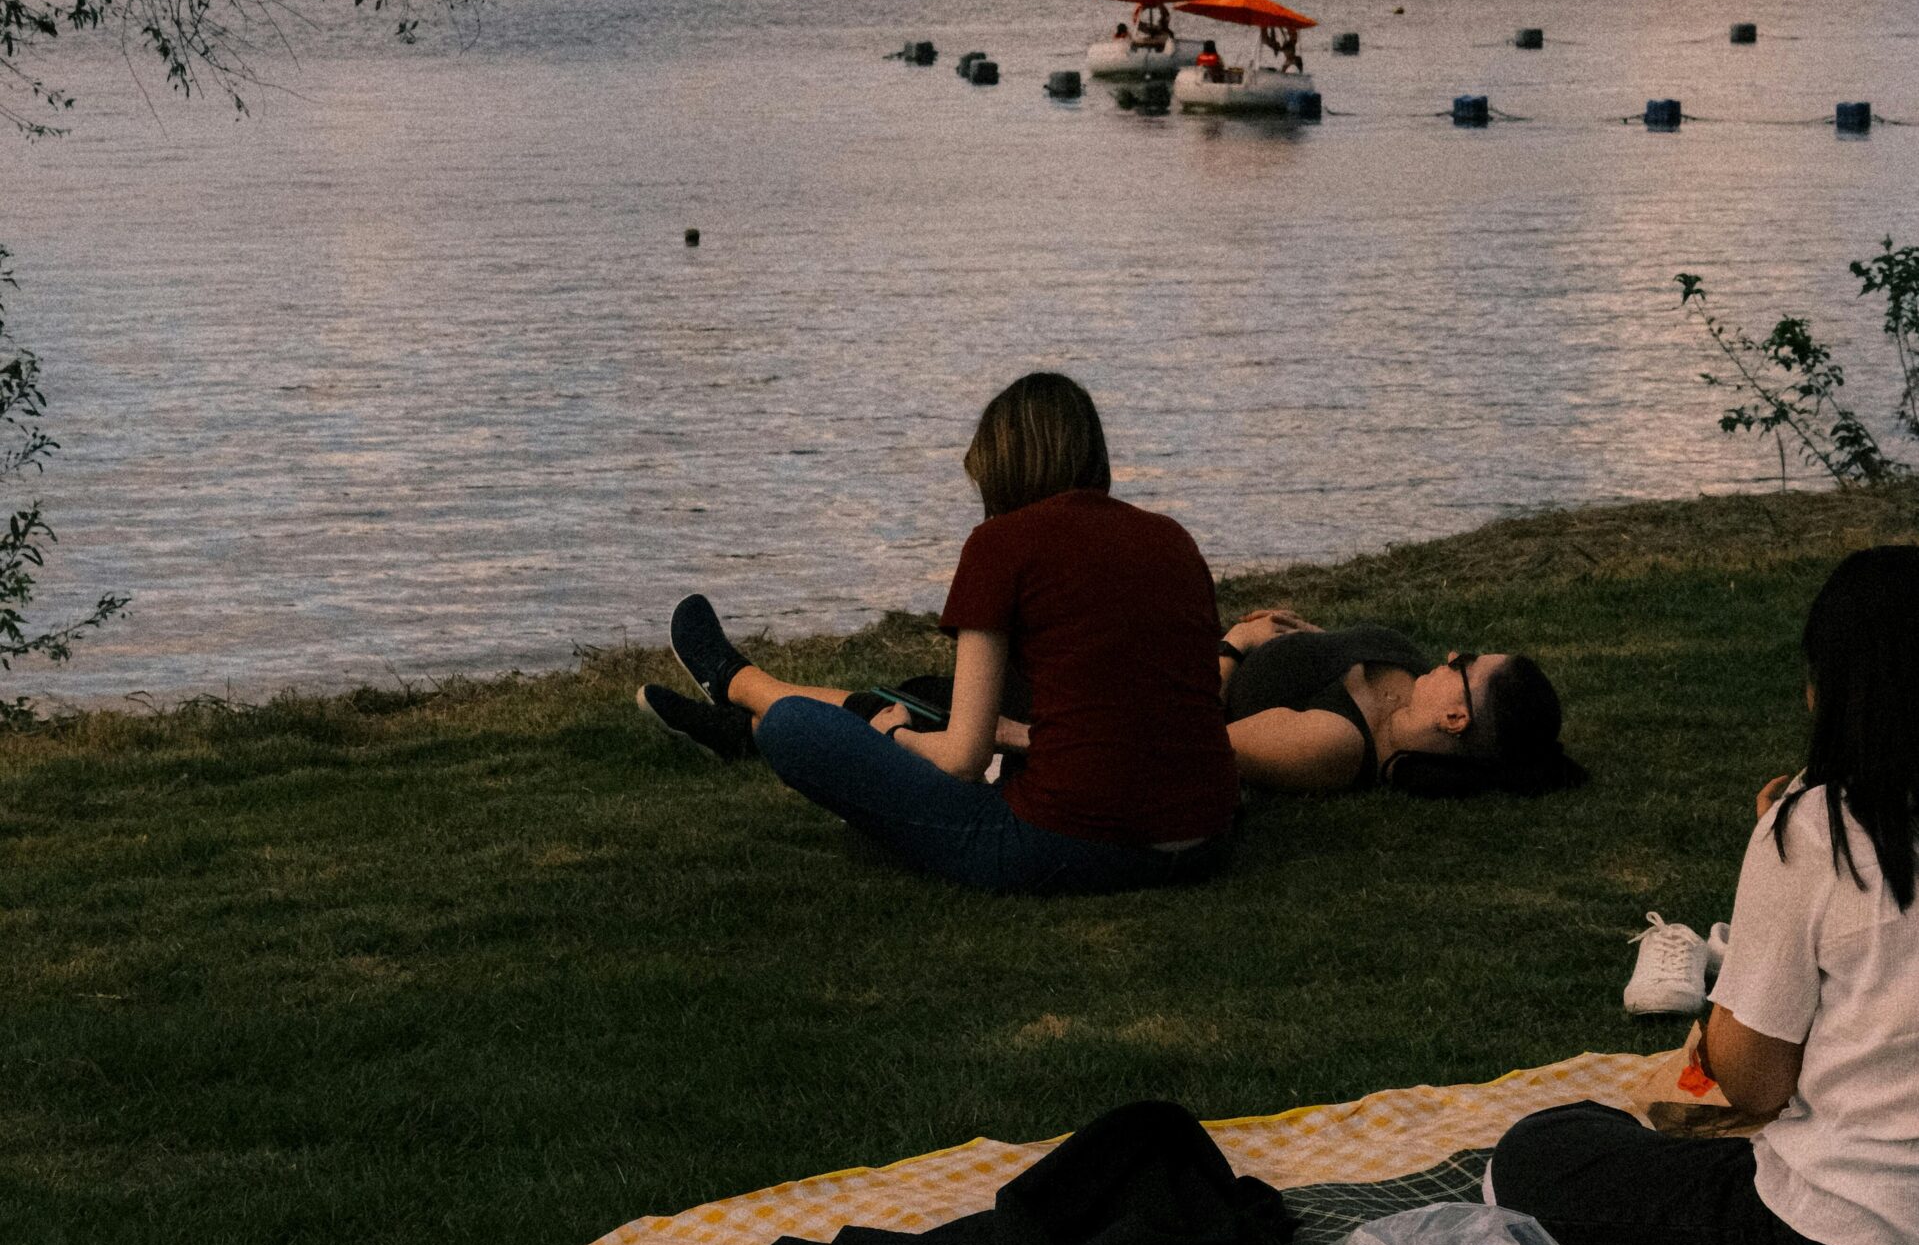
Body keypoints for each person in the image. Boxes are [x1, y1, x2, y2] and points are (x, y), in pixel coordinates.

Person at [1489, 546, 1919, 1245]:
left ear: (1830, 693)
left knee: (1540, 1150)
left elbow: (1754, 1086)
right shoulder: (1815, 836)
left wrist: (1775, 874)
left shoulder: (1815, 831)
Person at [641, 372, 1241, 896]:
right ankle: (735, 694)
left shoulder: (1001, 545)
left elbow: (962, 758)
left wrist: (897, 738)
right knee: (934, 701)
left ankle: (742, 700)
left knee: (795, 725)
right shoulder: (1173, 538)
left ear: (1002, 465)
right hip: (1208, 840)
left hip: (1071, 849)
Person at [1217, 609, 1584, 799]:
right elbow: (1328, 647)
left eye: (1464, 663)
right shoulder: (1410, 667)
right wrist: (1285, 627)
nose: (1453, 653)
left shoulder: (1333, 741)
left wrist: (1235, 643)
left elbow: (1199, 739)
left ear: (1454, 718)